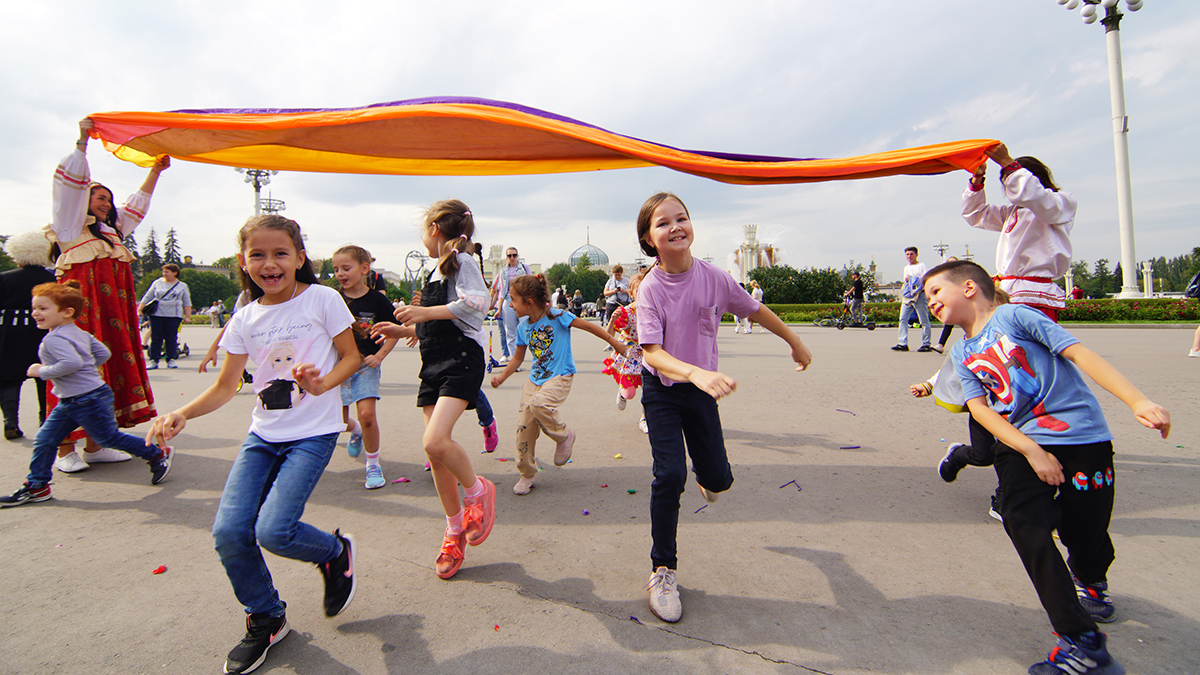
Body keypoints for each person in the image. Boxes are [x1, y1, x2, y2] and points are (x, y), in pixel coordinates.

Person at [924, 260, 1170, 675]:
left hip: (1082, 439)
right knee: (1023, 521)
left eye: (935, 292)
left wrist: (1138, 401)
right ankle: (1080, 640)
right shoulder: (962, 352)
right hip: (1021, 445)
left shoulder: (1015, 315)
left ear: (969, 288)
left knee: (1084, 531)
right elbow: (980, 410)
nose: (929, 301)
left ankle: (1091, 578)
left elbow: (1079, 353)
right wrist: (1031, 450)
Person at [146, 215, 360, 675]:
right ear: (243, 262)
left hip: (312, 435)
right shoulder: (244, 317)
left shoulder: (322, 299)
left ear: (300, 258)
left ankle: (334, 552)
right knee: (228, 533)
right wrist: (182, 413)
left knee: (274, 530)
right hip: (263, 436)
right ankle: (266, 615)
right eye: (257, 255)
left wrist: (323, 386)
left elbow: (351, 356)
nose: (270, 263)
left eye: (280, 253)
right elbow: (227, 385)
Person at [634, 192, 812, 623]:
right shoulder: (650, 289)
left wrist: (794, 340)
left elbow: (755, 309)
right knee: (670, 474)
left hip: (701, 391)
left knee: (718, 480)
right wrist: (693, 372)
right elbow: (652, 352)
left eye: (682, 218)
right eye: (663, 223)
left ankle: (708, 478)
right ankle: (663, 569)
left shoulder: (714, 277)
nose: (675, 226)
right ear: (648, 238)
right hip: (663, 390)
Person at [371, 199, 496, 581]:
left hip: (460, 359)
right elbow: (440, 320)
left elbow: (478, 304)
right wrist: (404, 329)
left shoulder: (464, 261)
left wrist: (423, 313)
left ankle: (478, 492)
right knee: (438, 456)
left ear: (433, 230)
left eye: (423, 232)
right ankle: (453, 531)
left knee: (435, 441)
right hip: (433, 362)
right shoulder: (436, 272)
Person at [46, 118, 167, 472]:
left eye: (108, 199)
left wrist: (156, 171)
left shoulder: (113, 233)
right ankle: (64, 451)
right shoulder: (70, 226)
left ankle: (95, 446)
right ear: (83, 199)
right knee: (75, 375)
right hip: (81, 318)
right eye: (98, 197)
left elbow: (137, 205)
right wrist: (82, 141)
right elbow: (67, 188)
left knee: (107, 372)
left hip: (112, 317)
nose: (105, 202)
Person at [1, 281, 172, 507]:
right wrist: (87, 369)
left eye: (43, 309)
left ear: (67, 312)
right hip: (78, 398)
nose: (35, 313)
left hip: (85, 399)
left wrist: (41, 371)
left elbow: (71, 362)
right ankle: (37, 485)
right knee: (45, 439)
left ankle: (156, 454)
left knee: (107, 438)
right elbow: (102, 353)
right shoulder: (78, 332)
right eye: (35, 308)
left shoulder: (54, 339)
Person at [490, 274, 625, 495]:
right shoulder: (523, 328)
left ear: (529, 302)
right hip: (534, 380)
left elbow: (590, 327)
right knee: (523, 428)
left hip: (559, 376)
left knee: (539, 404)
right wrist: (502, 377)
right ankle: (527, 473)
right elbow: (517, 358)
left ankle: (564, 435)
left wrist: (615, 343)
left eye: (513, 299)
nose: (510, 304)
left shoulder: (558, 316)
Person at [963, 143, 1075, 322]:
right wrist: (978, 178)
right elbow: (975, 214)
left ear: (1034, 179)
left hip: (1034, 295)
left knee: (1032, 348)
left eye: (1011, 179)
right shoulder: (1012, 212)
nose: (1009, 188)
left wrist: (1008, 163)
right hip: (1008, 292)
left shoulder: (1061, 202)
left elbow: (1035, 196)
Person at [331, 245, 400, 490]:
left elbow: (393, 331)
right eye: (336, 269)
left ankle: (372, 464)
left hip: (365, 366)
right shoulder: (332, 298)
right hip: (336, 368)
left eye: (346, 268)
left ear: (364, 269)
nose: (340, 273)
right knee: (337, 421)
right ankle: (356, 430)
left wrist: (379, 356)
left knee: (368, 415)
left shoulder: (378, 300)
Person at [0, 231, 56, 439]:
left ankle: (10, 422)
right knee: (45, 376)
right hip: (44, 331)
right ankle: (46, 422)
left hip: (9, 331)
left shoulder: (4, 278)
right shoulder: (53, 279)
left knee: (8, 379)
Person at [603, 272, 647, 431]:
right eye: (639, 291)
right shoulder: (627, 312)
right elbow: (609, 333)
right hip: (630, 353)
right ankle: (622, 394)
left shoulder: (655, 309)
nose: (643, 295)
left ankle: (644, 418)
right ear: (631, 293)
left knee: (650, 389)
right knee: (630, 393)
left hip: (649, 353)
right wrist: (613, 319)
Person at [138, 263, 192, 370]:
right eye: (163, 272)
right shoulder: (157, 283)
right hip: (157, 314)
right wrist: (140, 309)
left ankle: (170, 359)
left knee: (171, 338)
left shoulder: (182, 286)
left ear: (175, 273)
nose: (164, 274)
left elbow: (187, 302)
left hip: (174, 315)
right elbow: (147, 296)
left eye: (167, 272)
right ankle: (154, 360)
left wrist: (188, 316)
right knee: (156, 338)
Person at [489, 246, 530, 365]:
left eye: (514, 255)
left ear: (517, 256)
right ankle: (514, 359)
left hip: (522, 299)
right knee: (509, 331)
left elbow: (531, 284)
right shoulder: (503, 271)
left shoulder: (524, 268)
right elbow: (501, 292)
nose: (512, 258)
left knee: (525, 328)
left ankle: (537, 356)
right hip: (508, 299)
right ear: (506, 257)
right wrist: (499, 308)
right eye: (509, 255)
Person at [892, 246, 932, 352]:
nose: (909, 256)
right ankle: (902, 343)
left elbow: (926, 279)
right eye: (907, 254)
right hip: (908, 296)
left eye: (911, 254)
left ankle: (926, 343)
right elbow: (906, 281)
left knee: (924, 320)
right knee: (903, 319)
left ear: (916, 255)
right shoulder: (906, 268)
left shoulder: (922, 266)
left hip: (920, 295)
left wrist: (918, 287)